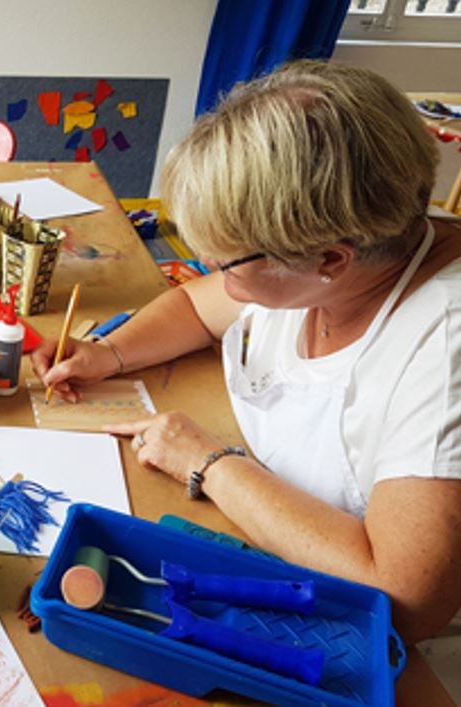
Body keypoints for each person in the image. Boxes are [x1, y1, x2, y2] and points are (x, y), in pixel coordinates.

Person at [33, 60, 461, 644]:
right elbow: (195, 306)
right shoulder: (352, 254)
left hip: (354, 647)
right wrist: (107, 353)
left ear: (329, 260)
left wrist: (210, 463)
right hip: (258, 546)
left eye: (226, 264)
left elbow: (405, 602)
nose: (215, 276)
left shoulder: (441, 349)